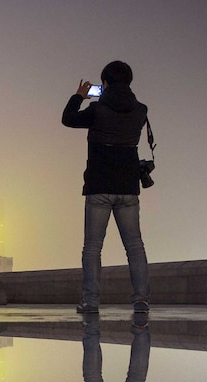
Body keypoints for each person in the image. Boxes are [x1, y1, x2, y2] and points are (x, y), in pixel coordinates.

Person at [62, 60, 151, 314]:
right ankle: (141, 300)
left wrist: (79, 96)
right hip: (128, 187)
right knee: (135, 245)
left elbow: (68, 119)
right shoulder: (141, 110)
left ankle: (91, 302)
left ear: (105, 83)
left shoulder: (97, 110)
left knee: (92, 246)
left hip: (99, 186)